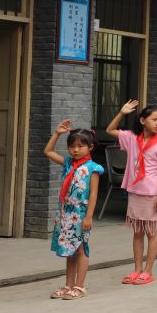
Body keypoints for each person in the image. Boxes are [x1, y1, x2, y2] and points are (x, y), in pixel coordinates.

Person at [105, 101, 157, 286]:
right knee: (137, 232)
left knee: (152, 233)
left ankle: (148, 271)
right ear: (142, 120)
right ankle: (137, 269)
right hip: (135, 191)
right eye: (154, 119)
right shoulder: (132, 138)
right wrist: (121, 113)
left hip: (151, 193)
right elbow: (110, 130)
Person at [45, 121, 104, 300]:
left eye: (80, 146)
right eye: (72, 146)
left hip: (81, 215)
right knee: (69, 250)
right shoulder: (68, 163)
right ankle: (68, 284)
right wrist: (57, 133)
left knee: (81, 249)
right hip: (66, 214)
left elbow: (93, 194)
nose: (76, 150)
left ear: (90, 147)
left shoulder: (93, 168)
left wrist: (89, 217)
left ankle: (80, 286)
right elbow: (48, 151)